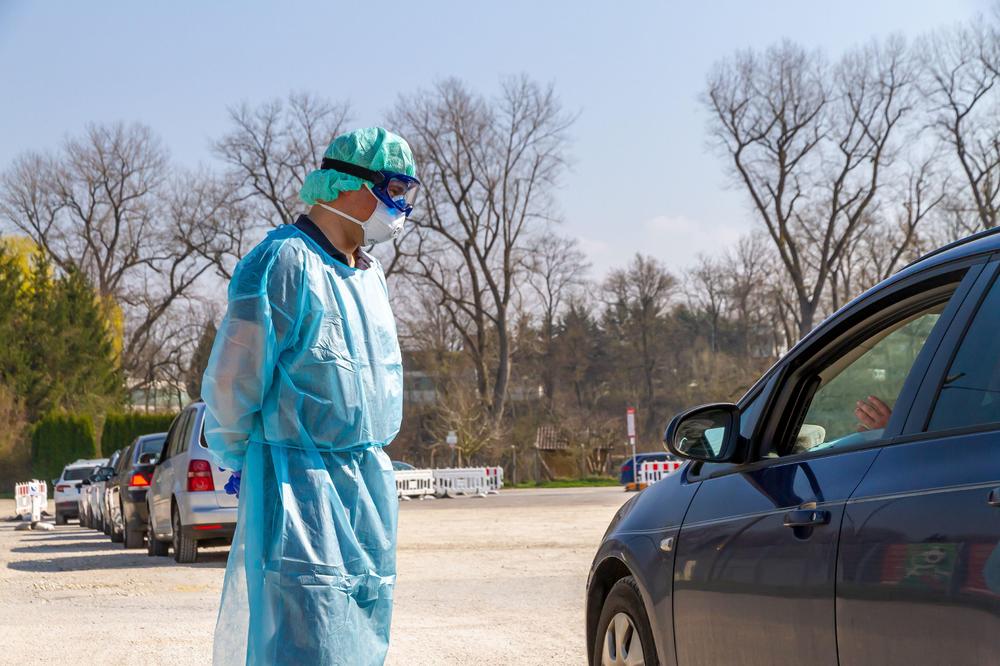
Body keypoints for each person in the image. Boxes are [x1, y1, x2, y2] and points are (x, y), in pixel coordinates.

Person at [201, 127, 419, 666]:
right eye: (392, 188)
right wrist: (235, 452)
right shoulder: (282, 263)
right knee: (310, 640)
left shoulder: (371, 276)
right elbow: (233, 381)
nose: (401, 207)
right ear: (345, 183)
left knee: (362, 637)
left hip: (365, 489)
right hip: (299, 491)